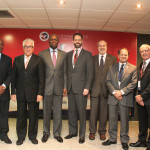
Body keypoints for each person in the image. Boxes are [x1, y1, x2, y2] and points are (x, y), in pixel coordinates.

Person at [11, 38, 45, 145]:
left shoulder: (39, 60)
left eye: (30, 46)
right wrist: (13, 92)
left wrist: (40, 93)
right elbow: (13, 77)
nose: (28, 48)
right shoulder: (17, 59)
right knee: (21, 116)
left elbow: (41, 78)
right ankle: (20, 137)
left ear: (33, 48)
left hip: (34, 94)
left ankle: (32, 136)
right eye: (26, 46)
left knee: (33, 116)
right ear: (23, 48)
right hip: (20, 93)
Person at [102, 48, 137, 150]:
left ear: (128, 56)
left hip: (125, 97)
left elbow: (133, 83)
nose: (123, 56)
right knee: (112, 119)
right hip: (113, 97)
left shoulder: (133, 68)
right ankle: (112, 138)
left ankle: (124, 140)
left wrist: (121, 92)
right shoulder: (111, 67)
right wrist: (114, 92)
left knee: (124, 120)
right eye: (122, 55)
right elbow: (107, 81)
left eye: (125, 55)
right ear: (118, 55)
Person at [64, 33, 93, 144]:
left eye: (79, 40)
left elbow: (90, 73)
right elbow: (66, 72)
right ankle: (72, 132)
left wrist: (87, 87)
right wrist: (66, 86)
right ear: (73, 41)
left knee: (81, 113)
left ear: (82, 41)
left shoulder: (87, 54)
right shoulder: (68, 55)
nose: (77, 41)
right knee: (71, 112)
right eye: (75, 39)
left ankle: (81, 135)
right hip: (70, 88)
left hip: (82, 89)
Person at [39, 34, 67, 143]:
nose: (53, 41)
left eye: (55, 39)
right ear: (49, 41)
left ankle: (57, 133)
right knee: (46, 112)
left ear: (58, 41)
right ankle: (46, 133)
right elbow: (40, 73)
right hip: (46, 87)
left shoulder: (64, 55)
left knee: (57, 112)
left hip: (59, 88)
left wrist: (65, 86)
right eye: (52, 39)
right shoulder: (42, 54)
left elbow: (65, 72)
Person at [89, 40, 117, 140]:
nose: (102, 47)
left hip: (107, 90)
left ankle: (102, 132)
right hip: (95, 89)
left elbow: (114, 76)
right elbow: (89, 74)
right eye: (100, 46)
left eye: (103, 46)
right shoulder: (92, 59)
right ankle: (92, 132)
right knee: (93, 113)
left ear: (106, 46)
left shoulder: (113, 59)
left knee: (104, 113)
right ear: (97, 47)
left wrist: (113, 90)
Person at [130, 44, 150, 150]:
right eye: (142, 51)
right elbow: (139, 82)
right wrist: (138, 96)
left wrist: (142, 96)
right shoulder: (141, 64)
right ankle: (142, 141)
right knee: (142, 122)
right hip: (140, 99)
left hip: (148, 99)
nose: (144, 53)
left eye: (146, 50)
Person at [0, 39, 12, 144]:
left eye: (1, 44)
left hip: (3, 92)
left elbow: (10, 75)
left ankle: (3, 135)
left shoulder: (8, 59)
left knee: (4, 115)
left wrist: (3, 86)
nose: (0, 46)